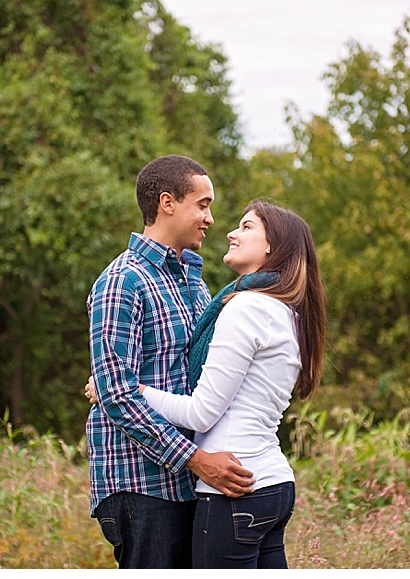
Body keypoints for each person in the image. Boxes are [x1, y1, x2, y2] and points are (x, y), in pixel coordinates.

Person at [89, 198, 326, 568]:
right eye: (203, 205)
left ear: (272, 247)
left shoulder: (240, 305)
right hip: (268, 480)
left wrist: (134, 391)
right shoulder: (285, 311)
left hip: (233, 483)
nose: (225, 227)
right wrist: (114, 391)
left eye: (247, 226)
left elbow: (201, 411)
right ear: (167, 204)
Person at [86, 155, 255, 569]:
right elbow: (119, 395)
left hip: (190, 482)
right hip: (141, 483)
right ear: (167, 203)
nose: (210, 218)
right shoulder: (122, 281)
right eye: (202, 204)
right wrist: (197, 460)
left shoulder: (194, 284)